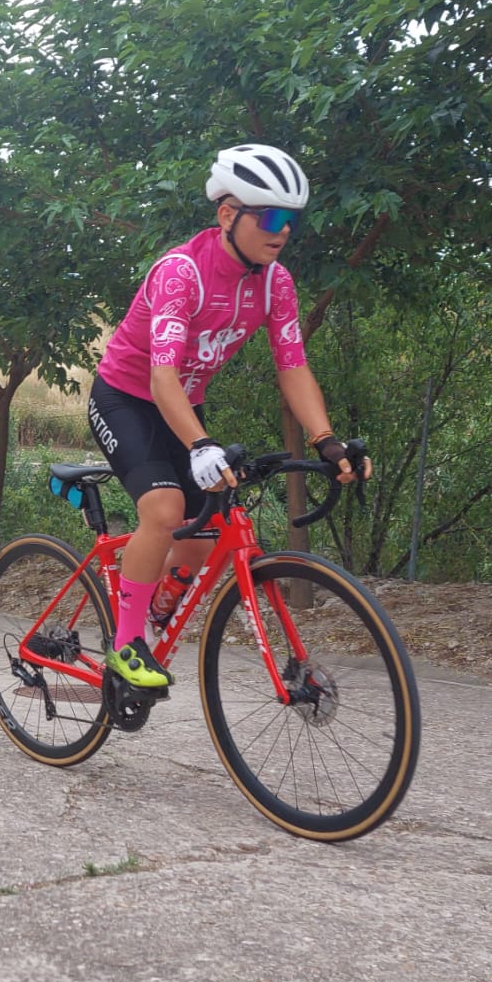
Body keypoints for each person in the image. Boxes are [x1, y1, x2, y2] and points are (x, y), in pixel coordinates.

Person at [87, 144, 370, 692]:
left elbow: (293, 366)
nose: (281, 230)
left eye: (290, 219)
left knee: (206, 528)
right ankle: (125, 643)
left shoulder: (275, 282)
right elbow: (160, 377)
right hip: (127, 396)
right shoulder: (181, 273)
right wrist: (199, 446)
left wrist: (326, 441)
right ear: (227, 215)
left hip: (183, 403)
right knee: (165, 509)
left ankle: (161, 596)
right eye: (269, 216)